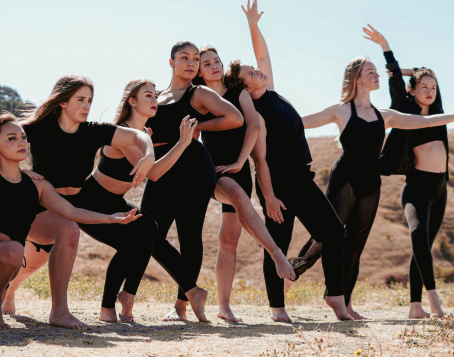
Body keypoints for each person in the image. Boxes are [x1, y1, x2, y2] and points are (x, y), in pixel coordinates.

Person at [286, 41, 454, 319]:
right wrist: (264, 117)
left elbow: (426, 122)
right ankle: (291, 274)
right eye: (371, 71)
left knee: (356, 244)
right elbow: (297, 123)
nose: (377, 75)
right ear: (357, 78)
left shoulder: (386, 116)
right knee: (326, 235)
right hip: (345, 179)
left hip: (371, 185)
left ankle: (346, 303)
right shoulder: (340, 110)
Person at [0, 114, 142, 329]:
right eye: (11, 138)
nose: (21, 142)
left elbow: (70, 211)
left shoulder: (37, 185)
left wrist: (110, 218)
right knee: (13, 250)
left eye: (23, 137)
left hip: (7, 269)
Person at [226, 0, 350, 322]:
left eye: (253, 68)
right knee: (278, 244)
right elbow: (260, 160)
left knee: (333, 233)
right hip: (279, 185)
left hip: (301, 179)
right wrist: (269, 197)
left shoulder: (272, 94)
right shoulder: (256, 114)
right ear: (244, 87)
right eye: (250, 73)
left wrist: (253, 25)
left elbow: (263, 56)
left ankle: (335, 296)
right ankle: (277, 308)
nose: (257, 70)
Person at [2, 75, 156, 330]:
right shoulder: (39, 128)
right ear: (63, 102)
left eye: (90, 101)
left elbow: (137, 137)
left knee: (33, 262)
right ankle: (59, 312)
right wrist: (18, 171)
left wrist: (149, 154)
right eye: (80, 99)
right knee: (68, 231)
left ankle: (8, 292)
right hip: (37, 206)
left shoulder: (93, 131)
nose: (87, 106)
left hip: (70, 207)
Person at [368, 26, 454, 318]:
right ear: (412, 90)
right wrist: (386, 48)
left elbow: (426, 71)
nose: (430, 91)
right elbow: (395, 79)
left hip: (440, 189)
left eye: (433, 87)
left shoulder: (438, 111)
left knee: (422, 248)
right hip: (417, 188)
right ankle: (434, 299)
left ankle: (415, 306)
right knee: (418, 238)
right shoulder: (404, 111)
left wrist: (417, 73)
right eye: (423, 87)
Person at [143, 41, 244, 322]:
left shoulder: (199, 93)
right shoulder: (156, 96)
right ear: (171, 62)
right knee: (147, 232)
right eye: (184, 57)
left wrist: (198, 126)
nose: (191, 63)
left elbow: (235, 118)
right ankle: (131, 296)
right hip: (162, 169)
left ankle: (181, 306)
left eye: (196, 59)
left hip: (193, 168)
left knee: (189, 235)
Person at [193, 47, 297, 322]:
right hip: (213, 169)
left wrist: (240, 161)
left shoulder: (238, 92)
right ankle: (276, 253)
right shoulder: (199, 97)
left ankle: (224, 306)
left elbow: (253, 126)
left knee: (229, 239)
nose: (214, 66)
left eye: (216, 61)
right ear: (199, 72)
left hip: (238, 169)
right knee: (238, 197)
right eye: (207, 64)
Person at [88, 78, 200, 322]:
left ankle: (127, 297)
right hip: (92, 201)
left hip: (113, 200)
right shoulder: (124, 134)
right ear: (132, 101)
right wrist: (183, 143)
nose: (154, 100)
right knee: (134, 240)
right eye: (148, 95)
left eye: (156, 96)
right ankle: (108, 308)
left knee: (148, 229)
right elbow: (155, 173)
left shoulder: (140, 135)